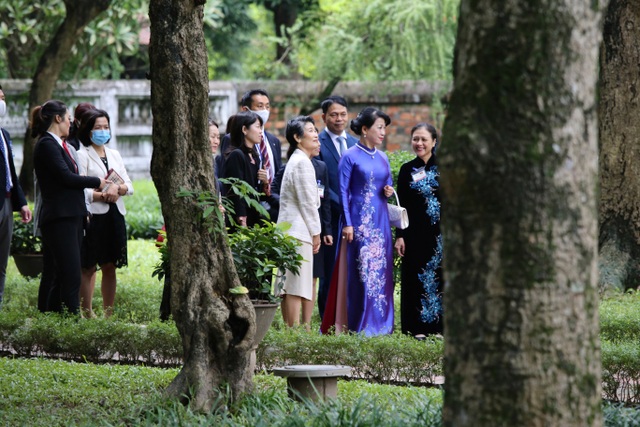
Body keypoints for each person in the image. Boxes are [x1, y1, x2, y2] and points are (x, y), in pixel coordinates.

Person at [321, 107, 395, 336]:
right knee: (362, 272)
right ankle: (359, 323)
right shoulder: (350, 156)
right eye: (379, 128)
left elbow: (387, 182)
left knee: (381, 272)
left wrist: (388, 190)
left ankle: (382, 324)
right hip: (359, 223)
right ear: (365, 129)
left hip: (381, 221)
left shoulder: (383, 157)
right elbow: (343, 192)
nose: (383, 133)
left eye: (384, 128)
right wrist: (349, 224)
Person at [32, 100, 110, 315]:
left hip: (71, 215)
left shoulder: (60, 144)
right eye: (68, 119)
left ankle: (54, 318)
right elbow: (66, 178)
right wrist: (97, 182)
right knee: (70, 274)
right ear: (58, 119)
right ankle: (70, 321)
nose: (71, 124)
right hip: (60, 218)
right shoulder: (47, 144)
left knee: (62, 273)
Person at [77, 109, 133, 318]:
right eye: (98, 127)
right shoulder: (81, 155)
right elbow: (81, 188)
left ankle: (109, 314)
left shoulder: (115, 154)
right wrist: (103, 195)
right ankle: (87, 312)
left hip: (114, 216)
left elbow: (129, 184)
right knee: (89, 266)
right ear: (88, 131)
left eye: (106, 127)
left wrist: (118, 190)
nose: (103, 131)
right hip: (93, 217)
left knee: (110, 266)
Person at [395, 123, 443, 338]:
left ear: (434, 142)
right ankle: (416, 328)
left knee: (440, 277)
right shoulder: (407, 170)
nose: (419, 143)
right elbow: (401, 207)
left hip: (440, 235)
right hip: (414, 235)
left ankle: (439, 327)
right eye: (416, 139)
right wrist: (400, 236)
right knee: (414, 278)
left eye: (424, 139)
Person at [277, 116, 322, 329]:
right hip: (298, 232)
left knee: (288, 284)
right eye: (311, 130)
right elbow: (307, 203)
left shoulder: (296, 160)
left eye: (315, 130)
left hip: (288, 231)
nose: (316, 135)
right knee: (295, 285)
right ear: (297, 137)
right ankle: (294, 333)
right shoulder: (303, 163)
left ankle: (289, 332)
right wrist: (316, 233)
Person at [316, 95, 358, 319]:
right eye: (333, 114)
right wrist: (344, 204)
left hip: (356, 218)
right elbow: (321, 183)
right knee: (330, 271)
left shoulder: (354, 143)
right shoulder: (317, 143)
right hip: (331, 218)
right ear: (324, 117)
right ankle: (327, 320)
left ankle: (350, 315)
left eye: (342, 114)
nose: (339, 119)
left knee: (351, 269)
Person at [219, 89, 282, 220]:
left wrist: (267, 187)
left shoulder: (274, 141)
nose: (265, 110)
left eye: (267, 106)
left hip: (271, 204)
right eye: (260, 106)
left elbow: (276, 176)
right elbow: (232, 180)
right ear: (245, 109)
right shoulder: (232, 141)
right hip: (246, 210)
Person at [0, 85, 32, 308]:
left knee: (2, 261)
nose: (2, 102)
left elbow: (11, 170)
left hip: (8, 201)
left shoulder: (4, 134)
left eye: (3, 97)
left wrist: (21, 202)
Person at [221, 111, 267, 228]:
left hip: (254, 214)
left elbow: (256, 191)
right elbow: (235, 190)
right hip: (241, 218)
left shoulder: (255, 156)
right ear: (244, 130)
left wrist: (265, 182)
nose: (261, 131)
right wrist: (241, 216)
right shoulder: (236, 155)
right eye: (257, 127)